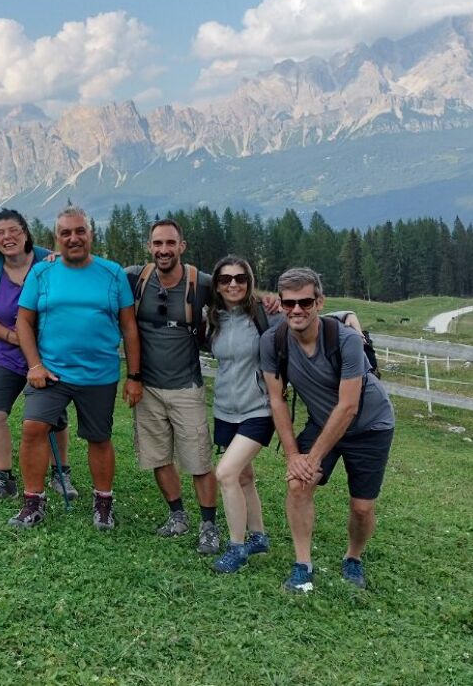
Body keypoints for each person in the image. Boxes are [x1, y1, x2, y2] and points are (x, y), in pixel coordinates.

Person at [261, 267, 394, 592]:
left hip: (371, 426)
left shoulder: (345, 340)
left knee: (362, 508)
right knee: (297, 485)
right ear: (281, 303)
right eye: (289, 302)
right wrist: (295, 458)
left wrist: (312, 458)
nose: (296, 310)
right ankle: (302, 565)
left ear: (320, 302)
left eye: (305, 302)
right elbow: (277, 401)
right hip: (323, 421)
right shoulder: (272, 341)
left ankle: (353, 557)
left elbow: (348, 406)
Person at [9, 206, 141, 530]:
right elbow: (24, 322)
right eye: (66, 233)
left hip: (99, 373)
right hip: (51, 371)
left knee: (99, 438)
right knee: (32, 429)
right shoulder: (42, 273)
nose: (73, 238)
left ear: (91, 234)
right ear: (57, 239)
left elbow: (130, 328)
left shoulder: (113, 274)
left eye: (80, 231)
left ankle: (104, 503)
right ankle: (33, 503)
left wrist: (134, 376)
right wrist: (34, 365)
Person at [125, 219, 221, 554]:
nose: (163, 250)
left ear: (182, 246)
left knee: (198, 460)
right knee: (159, 456)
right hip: (146, 387)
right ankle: (177, 516)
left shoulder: (201, 282)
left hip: (186, 387)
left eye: (170, 243)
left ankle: (209, 525)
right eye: (157, 243)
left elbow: (239, 292)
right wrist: (50, 258)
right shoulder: (137, 277)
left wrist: (267, 302)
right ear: (149, 247)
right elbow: (95, 272)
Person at [0, 209, 72, 502]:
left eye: (13, 230)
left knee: (52, 418)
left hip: (47, 354)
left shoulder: (50, 261)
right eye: (0, 233)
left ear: (25, 232)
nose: (7, 237)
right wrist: (12, 336)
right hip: (6, 354)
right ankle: (2, 479)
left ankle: (60, 471)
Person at [207, 256, 275, 572]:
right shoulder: (212, 317)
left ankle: (237, 547)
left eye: (240, 278)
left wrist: (353, 319)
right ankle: (258, 536)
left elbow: (314, 316)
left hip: (258, 409)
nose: (233, 284)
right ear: (217, 285)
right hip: (225, 409)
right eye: (225, 279)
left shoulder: (266, 315)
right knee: (245, 475)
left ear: (249, 282)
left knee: (226, 473)